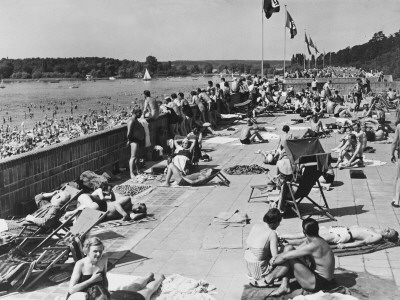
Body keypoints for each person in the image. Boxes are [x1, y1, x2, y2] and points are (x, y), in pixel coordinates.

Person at [262, 218, 335, 296]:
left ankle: (269, 278)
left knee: (288, 257)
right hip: (316, 276)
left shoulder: (314, 245)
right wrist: (284, 242)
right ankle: (284, 286)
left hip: (319, 283)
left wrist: (273, 262)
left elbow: (285, 257)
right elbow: (301, 242)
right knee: (288, 248)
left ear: (304, 232)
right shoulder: (316, 239)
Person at [0, 189, 71, 237]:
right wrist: (51, 194)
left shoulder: (55, 209)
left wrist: (33, 219)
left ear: (58, 196)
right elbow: (37, 198)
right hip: (23, 224)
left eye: (55, 195)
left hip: (26, 228)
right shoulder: (48, 205)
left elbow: (45, 222)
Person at [244, 209, 282, 284]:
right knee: (284, 257)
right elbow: (275, 257)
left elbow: (248, 244)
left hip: (248, 266)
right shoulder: (272, 233)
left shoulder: (256, 226)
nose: (279, 225)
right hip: (259, 270)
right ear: (275, 222)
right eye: (279, 222)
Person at [280, 225, 399, 249]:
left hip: (342, 235)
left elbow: (363, 243)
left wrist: (345, 245)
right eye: (389, 228)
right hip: (339, 229)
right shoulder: (376, 230)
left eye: (389, 232)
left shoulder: (377, 236)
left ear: (387, 238)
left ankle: (286, 244)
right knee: (305, 232)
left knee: (309, 238)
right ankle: (281, 236)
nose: (386, 229)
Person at [127, 109, 145, 179]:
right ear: (136, 113)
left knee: (137, 156)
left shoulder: (136, 120)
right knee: (133, 157)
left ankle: (138, 170)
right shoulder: (131, 120)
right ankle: (131, 173)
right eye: (140, 113)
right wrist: (129, 140)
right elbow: (129, 133)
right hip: (134, 141)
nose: (141, 115)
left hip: (138, 140)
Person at [391, 121, 400, 207]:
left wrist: (391, 153)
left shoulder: (399, 126)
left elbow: (394, 142)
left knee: (398, 177)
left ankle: (396, 200)